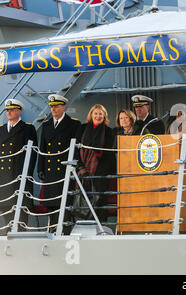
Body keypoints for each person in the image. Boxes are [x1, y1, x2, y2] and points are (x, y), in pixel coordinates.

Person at [37, 94, 81, 233]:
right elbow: (43, 148)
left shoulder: (73, 124)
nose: (53, 109)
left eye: (56, 106)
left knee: (65, 204)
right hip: (50, 172)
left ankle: (65, 233)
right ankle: (53, 230)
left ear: (64, 107)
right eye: (51, 107)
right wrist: (40, 168)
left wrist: (73, 166)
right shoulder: (46, 125)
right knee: (51, 205)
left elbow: (75, 149)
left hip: (64, 171)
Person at [0, 99, 37, 235]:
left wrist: (25, 176)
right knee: (6, 213)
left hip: (19, 179)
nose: (8, 112)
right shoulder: (1, 130)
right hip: (4, 180)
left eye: (12, 109)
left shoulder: (27, 129)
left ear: (19, 111)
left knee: (20, 216)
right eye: (7, 110)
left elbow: (32, 156)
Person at [74, 104, 115, 224]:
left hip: (100, 173)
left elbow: (107, 153)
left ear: (104, 116)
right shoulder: (82, 128)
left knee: (99, 203)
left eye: (100, 114)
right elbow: (76, 149)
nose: (98, 116)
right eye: (95, 113)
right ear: (91, 115)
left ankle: (100, 229)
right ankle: (83, 226)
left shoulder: (108, 131)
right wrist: (80, 167)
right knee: (82, 201)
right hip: (82, 171)